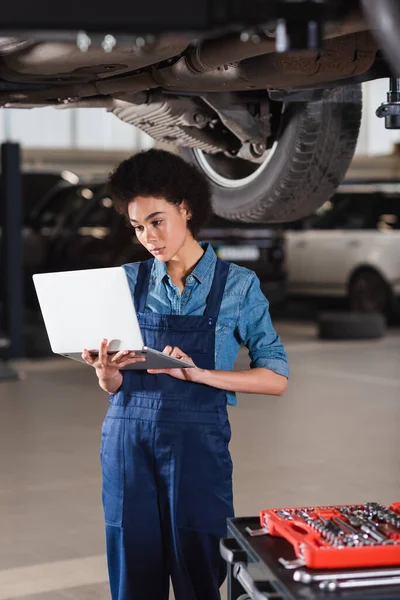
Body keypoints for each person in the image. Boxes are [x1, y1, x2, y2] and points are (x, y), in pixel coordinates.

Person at [82, 148, 289, 600]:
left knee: (201, 572)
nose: (149, 237)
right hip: (125, 442)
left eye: (157, 221)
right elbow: (117, 385)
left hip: (196, 446)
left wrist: (203, 375)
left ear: (186, 208)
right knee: (133, 573)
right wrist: (106, 375)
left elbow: (275, 378)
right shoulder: (126, 280)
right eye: (138, 227)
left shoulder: (238, 286)